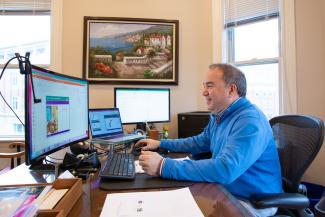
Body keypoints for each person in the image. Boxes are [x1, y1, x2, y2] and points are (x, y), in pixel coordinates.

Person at [135, 63, 282, 216]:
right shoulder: (220, 115)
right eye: (204, 86)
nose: (204, 92)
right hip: (228, 190)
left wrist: (163, 166)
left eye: (210, 86)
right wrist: (161, 143)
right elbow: (199, 142)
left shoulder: (250, 121)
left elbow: (226, 169)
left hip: (251, 201)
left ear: (231, 90)